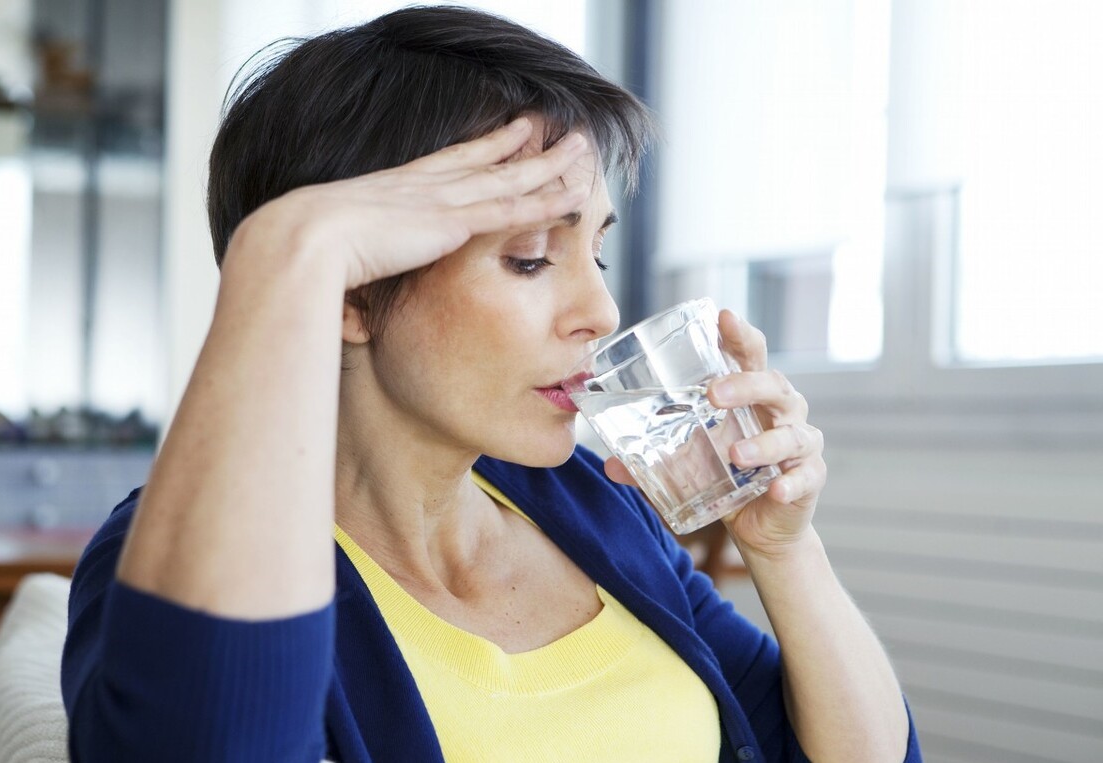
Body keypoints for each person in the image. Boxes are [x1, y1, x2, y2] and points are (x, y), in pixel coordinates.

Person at [61, 6, 922, 762]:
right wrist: (283, 252)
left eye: (597, 250)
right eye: (530, 257)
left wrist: (782, 549)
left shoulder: (594, 507)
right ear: (353, 293)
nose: (602, 307)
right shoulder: (178, 553)